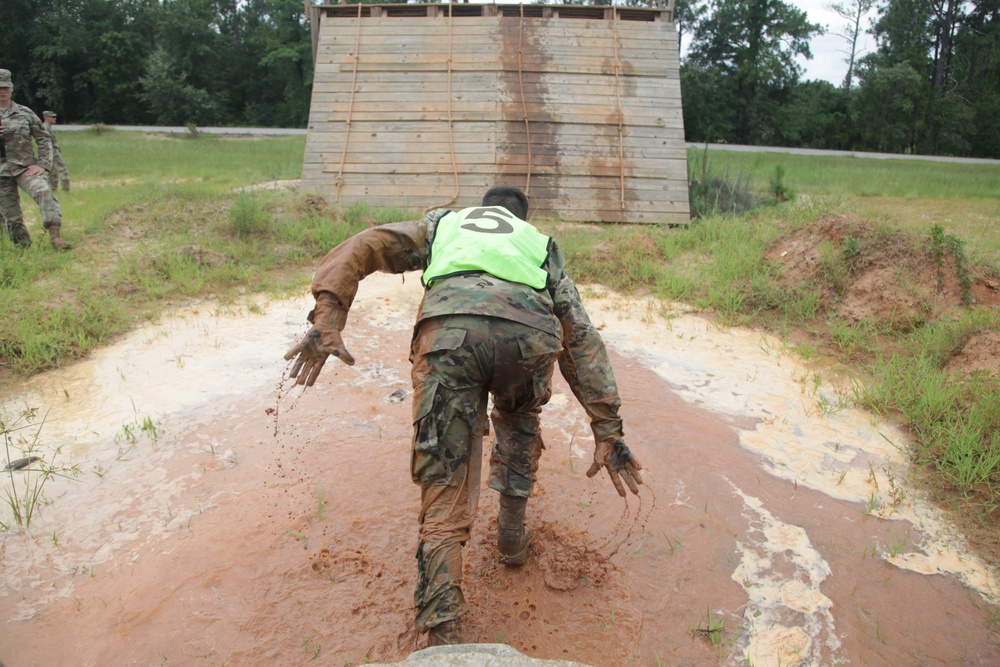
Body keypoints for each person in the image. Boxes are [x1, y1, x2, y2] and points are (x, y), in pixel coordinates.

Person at [284, 185, 643, 646]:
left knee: (445, 475)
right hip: (527, 339)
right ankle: (512, 542)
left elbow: (365, 244)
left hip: (448, 335)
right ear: (521, 219)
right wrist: (607, 428)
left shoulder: (444, 224)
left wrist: (328, 317)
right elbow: (580, 337)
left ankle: (443, 625)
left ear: (481, 209)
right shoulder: (539, 244)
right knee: (518, 421)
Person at [0, 69, 71, 250]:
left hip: (25, 167)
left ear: (12, 89)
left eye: (5, 87)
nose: (2, 91)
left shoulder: (24, 113)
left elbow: (43, 138)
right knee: (11, 216)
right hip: (1, 172)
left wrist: (43, 164)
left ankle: (55, 237)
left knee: (44, 191)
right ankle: (23, 250)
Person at [42, 111, 70, 192]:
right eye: (52, 117)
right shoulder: (45, 127)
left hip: (51, 152)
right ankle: (66, 189)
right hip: (52, 152)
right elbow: (46, 142)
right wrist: (52, 152)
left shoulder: (47, 127)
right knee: (63, 170)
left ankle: (52, 190)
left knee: (52, 172)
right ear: (46, 118)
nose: (55, 119)